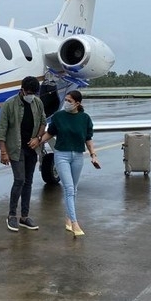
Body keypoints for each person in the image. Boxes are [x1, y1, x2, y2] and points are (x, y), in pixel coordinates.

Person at [39, 90, 100, 237]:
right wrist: (38, 141)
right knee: (69, 188)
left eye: (69, 101)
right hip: (61, 155)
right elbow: (50, 133)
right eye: (65, 100)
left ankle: (67, 218)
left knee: (74, 189)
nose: (66, 103)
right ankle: (74, 222)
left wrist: (93, 155)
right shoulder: (59, 116)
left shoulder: (85, 118)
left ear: (77, 103)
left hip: (78, 156)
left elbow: (88, 138)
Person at [0, 76, 47, 232]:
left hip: (31, 148)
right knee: (19, 179)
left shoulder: (37, 103)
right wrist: (3, 152)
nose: (31, 95)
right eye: (29, 92)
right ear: (22, 90)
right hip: (15, 149)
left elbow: (43, 122)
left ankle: (24, 216)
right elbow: (1, 130)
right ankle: (12, 215)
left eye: (34, 93)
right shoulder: (9, 104)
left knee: (28, 181)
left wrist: (37, 138)